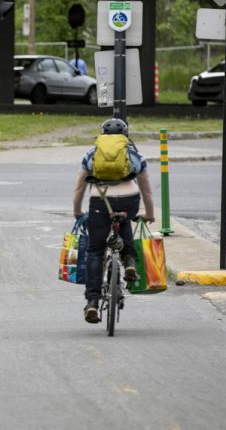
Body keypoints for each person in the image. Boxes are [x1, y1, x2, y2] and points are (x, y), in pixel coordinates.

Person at [72, 118, 155, 324]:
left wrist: (77, 211)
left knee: (95, 250)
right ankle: (128, 262)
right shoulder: (135, 155)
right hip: (129, 201)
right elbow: (146, 190)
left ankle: (92, 302)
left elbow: (79, 189)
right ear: (125, 135)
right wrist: (149, 214)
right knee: (125, 221)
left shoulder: (91, 155)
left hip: (100, 202)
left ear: (101, 135)